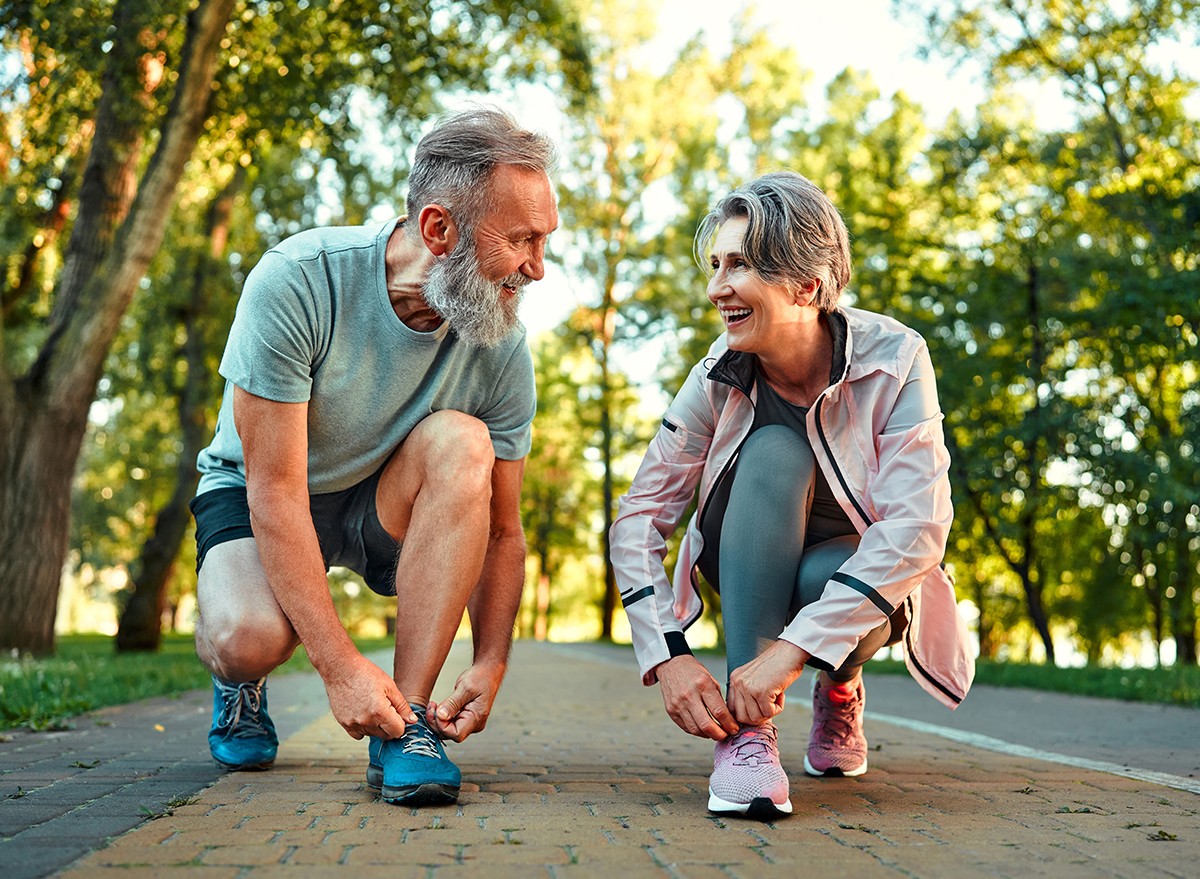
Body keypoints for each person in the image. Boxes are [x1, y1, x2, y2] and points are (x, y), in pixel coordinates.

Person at [189, 106, 558, 807]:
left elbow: (505, 529)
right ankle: (239, 682)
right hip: (259, 488)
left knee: (464, 441)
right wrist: (339, 668)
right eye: (520, 240)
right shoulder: (298, 280)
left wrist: (491, 658)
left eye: (545, 240)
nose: (537, 268)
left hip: (380, 498)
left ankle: (408, 722)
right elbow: (274, 492)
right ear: (438, 229)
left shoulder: (502, 345)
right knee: (247, 638)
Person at [610, 171, 974, 821]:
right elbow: (639, 516)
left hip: (849, 580)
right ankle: (748, 736)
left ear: (807, 285)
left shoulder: (895, 360)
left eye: (740, 265)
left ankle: (839, 688)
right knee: (776, 448)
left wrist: (792, 653)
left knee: (828, 572)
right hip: (746, 562)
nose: (717, 287)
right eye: (716, 264)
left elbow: (919, 525)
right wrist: (665, 654)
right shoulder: (715, 377)